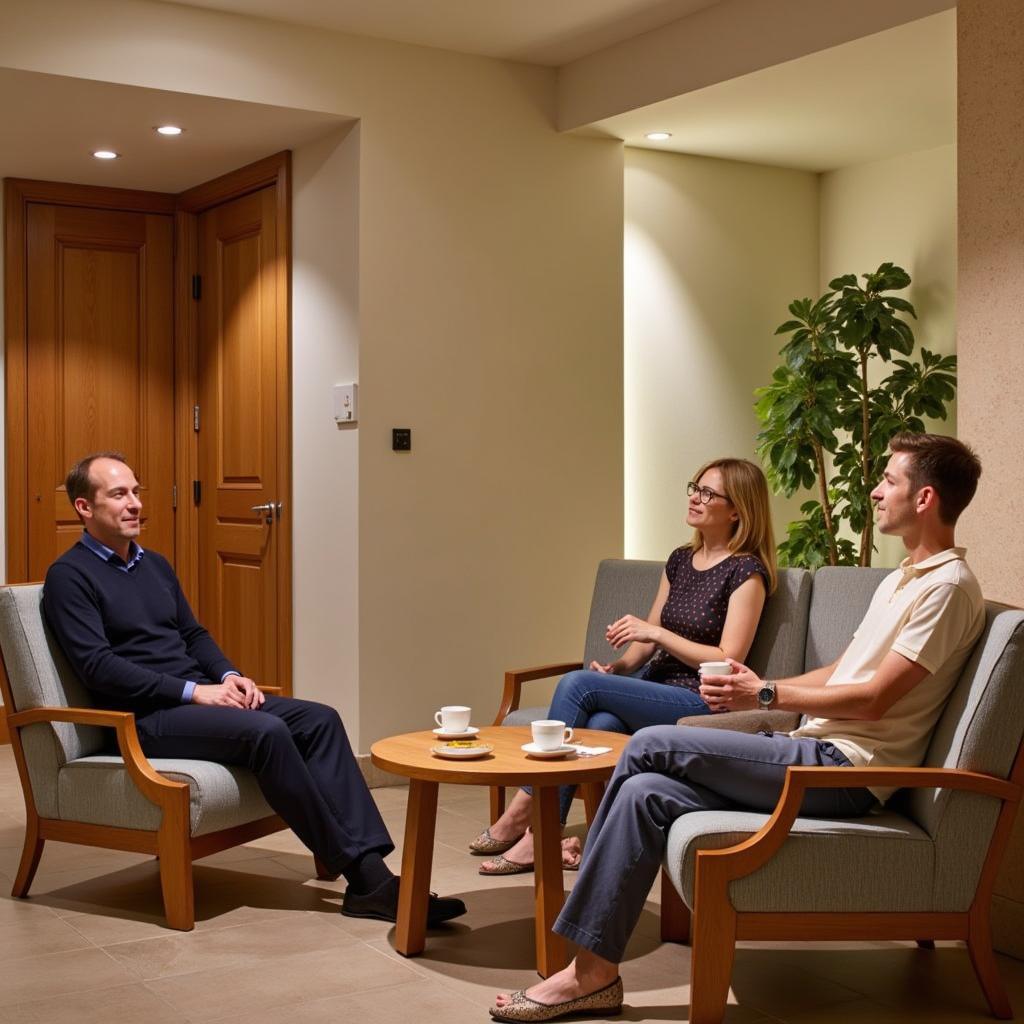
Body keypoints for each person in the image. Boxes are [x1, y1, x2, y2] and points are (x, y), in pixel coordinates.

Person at [491, 432, 985, 1022]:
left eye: (890, 481)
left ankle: (578, 955)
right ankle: (595, 972)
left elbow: (877, 700)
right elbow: (845, 670)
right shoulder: (904, 577)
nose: (876, 491)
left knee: (648, 745)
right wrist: (768, 692)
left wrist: (767, 692)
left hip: (846, 770)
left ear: (925, 497)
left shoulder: (948, 588)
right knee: (647, 792)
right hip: (810, 748)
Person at [42, 452, 465, 927]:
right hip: (145, 718)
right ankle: (368, 881)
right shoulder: (69, 577)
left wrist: (227, 675)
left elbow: (194, 635)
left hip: (195, 698)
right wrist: (193, 692)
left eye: (137, 491)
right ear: (84, 507)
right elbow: (98, 668)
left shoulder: (153, 565)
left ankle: (373, 874)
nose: (135, 503)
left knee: (320, 719)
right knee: (266, 732)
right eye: (119, 494)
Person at [474, 458, 777, 875]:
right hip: (658, 685)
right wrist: (620, 668)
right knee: (599, 720)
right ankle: (568, 842)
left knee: (577, 684)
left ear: (738, 509)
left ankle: (528, 816)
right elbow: (649, 635)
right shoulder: (680, 559)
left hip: (703, 699)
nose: (694, 497)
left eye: (708, 493)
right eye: (695, 487)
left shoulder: (747, 571)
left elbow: (728, 658)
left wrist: (656, 638)